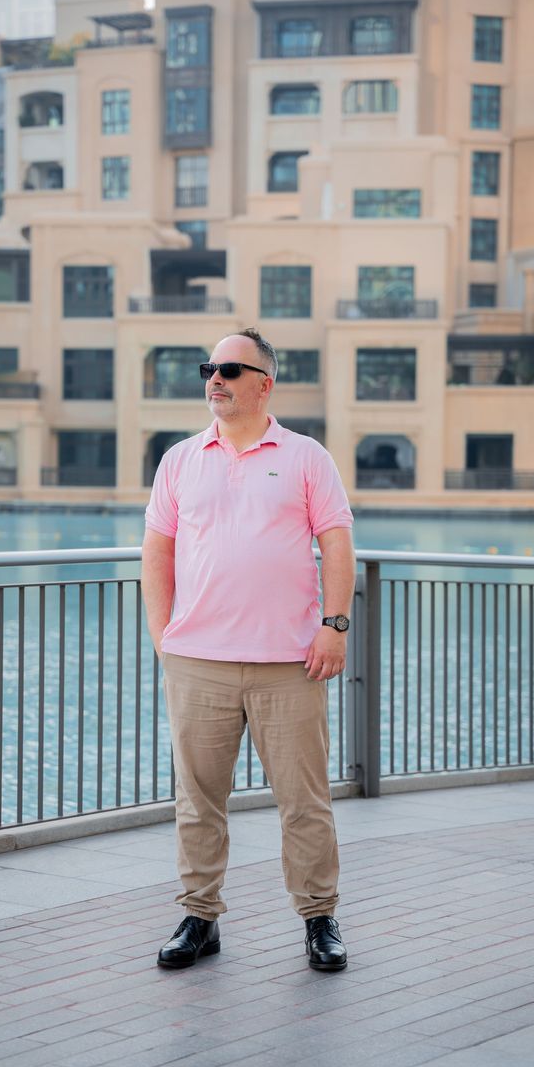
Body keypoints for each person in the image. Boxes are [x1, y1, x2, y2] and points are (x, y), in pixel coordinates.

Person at [142, 328, 355, 972]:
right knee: (198, 800)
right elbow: (157, 553)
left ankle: (319, 918)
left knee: (304, 801)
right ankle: (199, 917)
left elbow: (337, 544)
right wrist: (164, 638)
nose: (216, 379)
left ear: (265, 384)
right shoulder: (179, 459)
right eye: (209, 368)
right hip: (197, 662)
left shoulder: (306, 457)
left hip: (289, 663)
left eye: (231, 370)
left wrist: (335, 625)